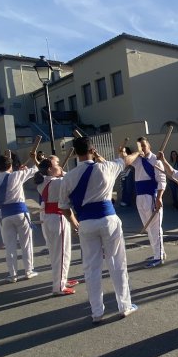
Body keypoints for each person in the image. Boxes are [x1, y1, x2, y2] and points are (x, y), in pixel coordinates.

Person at [58, 136, 136, 324]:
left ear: (75, 153)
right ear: (92, 150)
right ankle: (124, 306)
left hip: (85, 222)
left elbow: (64, 207)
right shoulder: (106, 167)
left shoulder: (68, 177)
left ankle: (97, 312)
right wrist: (137, 152)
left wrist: (74, 222)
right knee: (117, 263)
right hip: (108, 220)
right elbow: (126, 161)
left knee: (91, 268)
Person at [0, 152, 38, 283]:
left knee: (10, 246)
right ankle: (28, 271)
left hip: (5, 216)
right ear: (10, 165)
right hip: (21, 213)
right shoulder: (17, 175)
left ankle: (12, 274)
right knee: (26, 244)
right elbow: (36, 169)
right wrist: (33, 160)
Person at [35, 157, 77, 296]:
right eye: (56, 164)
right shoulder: (58, 182)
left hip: (49, 218)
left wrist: (59, 171)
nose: (59, 165)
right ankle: (59, 286)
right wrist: (62, 172)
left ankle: (61, 280)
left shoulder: (44, 182)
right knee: (63, 253)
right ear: (49, 169)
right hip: (58, 217)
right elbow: (71, 179)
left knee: (56, 253)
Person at [124, 137, 167, 268]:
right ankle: (159, 252)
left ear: (148, 145)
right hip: (140, 197)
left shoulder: (156, 160)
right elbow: (125, 161)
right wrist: (123, 153)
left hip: (151, 196)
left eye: (143, 145)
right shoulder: (138, 160)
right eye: (139, 146)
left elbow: (162, 180)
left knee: (155, 227)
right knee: (149, 228)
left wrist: (159, 197)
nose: (142, 148)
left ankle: (159, 257)